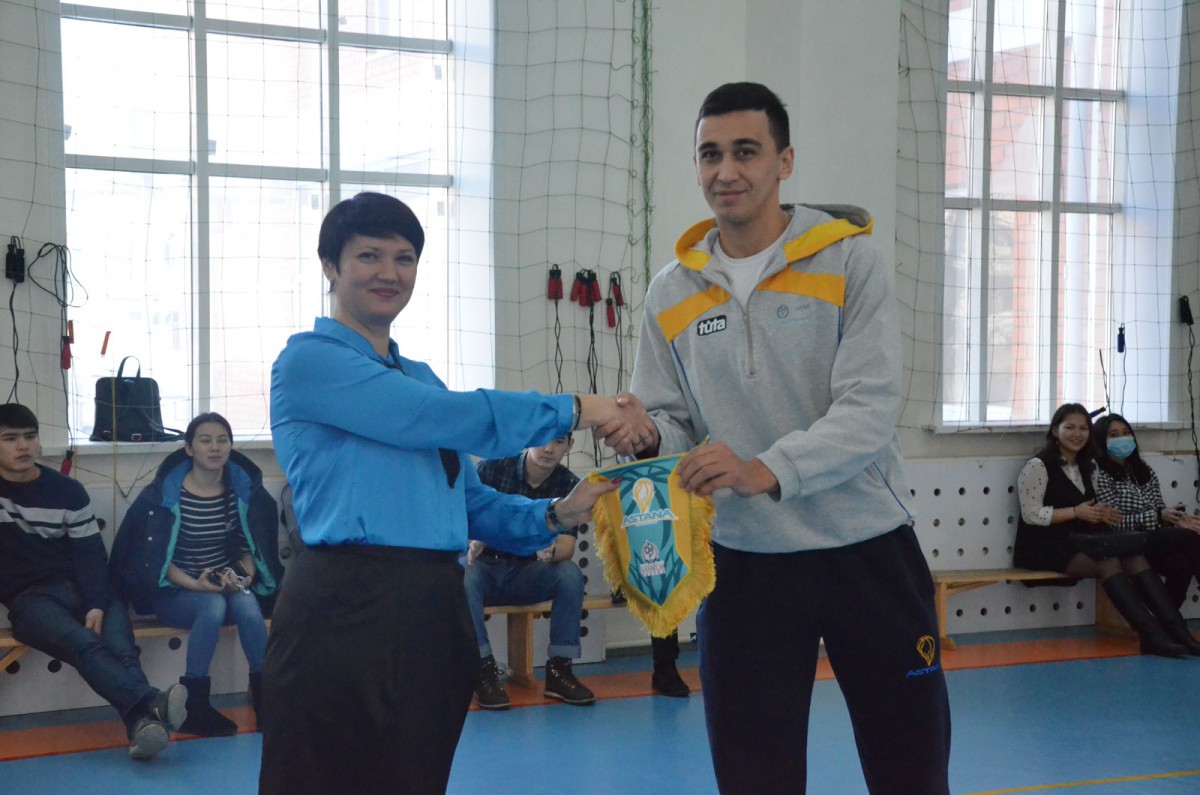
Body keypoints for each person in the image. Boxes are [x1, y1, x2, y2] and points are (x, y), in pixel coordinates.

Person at [615, 83, 951, 794]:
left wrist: (762, 469)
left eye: (746, 152)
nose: (726, 171)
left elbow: (869, 409)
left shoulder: (850, 261)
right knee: (753, 777)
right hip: (745, 565)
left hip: (867, 549)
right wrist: (646, 438)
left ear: (785, 161)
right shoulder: (670, 291)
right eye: (710, 154)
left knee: (912, 772)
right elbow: (672, 422)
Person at [260, 191, 653, 795]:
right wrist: (579, 408)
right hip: (342, 607)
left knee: (416, 777)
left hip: (433, 607)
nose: (389, 272)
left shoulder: (421, 378)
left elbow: (467, 502)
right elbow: (436, 416)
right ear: (330, 267)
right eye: (368, 256)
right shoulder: (308, 362)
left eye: (404, 258)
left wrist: (556, 512)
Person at [0, 403, 186, 760]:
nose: (23, 446)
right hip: (31, 600)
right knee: (85, 645)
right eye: (10, 439)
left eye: (30, 437)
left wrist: (97, 603)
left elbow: (90, 556)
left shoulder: (68, 491)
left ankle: (143, 726)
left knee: (122, 651)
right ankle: (151, 701)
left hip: (87, 589)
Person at [109, 411, 283, 736]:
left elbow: (250, 548)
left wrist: (242, 577)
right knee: (212, 605)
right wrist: (196, 584)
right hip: (175, 589)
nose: (215, 448)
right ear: (189, 448)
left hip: (222, 584)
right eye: (205, 441)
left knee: (248, 604)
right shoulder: (160, 497)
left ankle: (268, 703)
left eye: (222, 440)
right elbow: (154, 560)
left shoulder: (243, 493)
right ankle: (194, 707)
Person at [1014, 403, 1190, 657]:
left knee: (1134, 556)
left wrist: (1100, 514)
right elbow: (1031, 514)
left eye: (1083, 428)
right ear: (1055, 431)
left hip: (1080, 540)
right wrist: (1076, 512)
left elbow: (1088, 510)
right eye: (1070, 427)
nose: (1077, 434)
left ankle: (1178, 631)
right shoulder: (1038, 466)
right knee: (1108, 563)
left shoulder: (1090, 467)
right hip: (1043, 545)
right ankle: (1151, 636)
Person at [467, 434, 595, 708]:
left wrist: (551, 551)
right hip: (485, 568)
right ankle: (482, 669)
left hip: (527, 572)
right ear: (527, 438)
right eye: (543, 439)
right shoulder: (490, 468)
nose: (548, 449)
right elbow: (463, 523)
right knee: (462, 574)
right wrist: (474, 541)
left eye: (558, 442)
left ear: (569, 446)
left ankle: (560, 670)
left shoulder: (570, 485)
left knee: (569, 574)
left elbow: (566, 546)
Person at [1090, 412, 1200, 652]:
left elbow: (1158, 507)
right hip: (1123, 542)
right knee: (1191, 538)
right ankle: (1171, 630)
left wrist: (1176, 518)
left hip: (1151, 539)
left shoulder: (1142, 470)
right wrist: (1158, 517)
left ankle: (1161, 631)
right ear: (1100, 441)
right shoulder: (1098, 473)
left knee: (1181, 563)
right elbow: (1113, 522)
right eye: (1114, 435)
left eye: (1126, 433)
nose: (1123, 439)